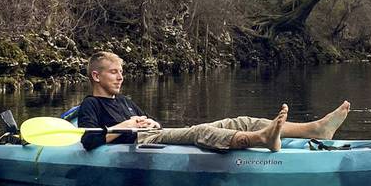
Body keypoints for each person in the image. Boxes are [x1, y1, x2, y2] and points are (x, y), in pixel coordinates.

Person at [73, 50, 352, 152]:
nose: (120, 77)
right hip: (138, 143)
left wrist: (145, 120)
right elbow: (89, 141)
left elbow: (152, 122)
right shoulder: (90, 105)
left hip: (154, 134)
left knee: (238, 120)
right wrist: (128, 125)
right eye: (113, 72)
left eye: (121, 72)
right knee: (200, 133)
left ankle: (315, 129)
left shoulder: (127, 101)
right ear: (96, 76)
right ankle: (261, 139)